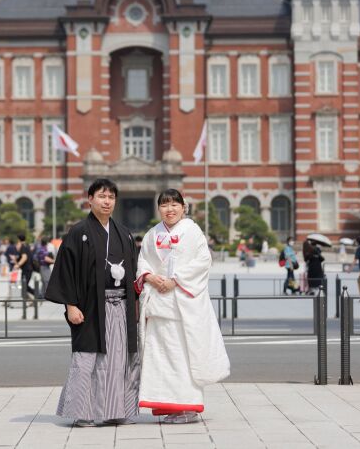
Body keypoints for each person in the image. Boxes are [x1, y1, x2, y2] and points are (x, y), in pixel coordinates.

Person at [44, 178, 140, 427]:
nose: (107, 201)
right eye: (101, 196)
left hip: (121, 306)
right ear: (90, 199)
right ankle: (83, 412)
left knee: (119, 359)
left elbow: (134, 271)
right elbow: (66, 270)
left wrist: (137, 306)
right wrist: (70, 305)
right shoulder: (79, 232)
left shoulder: (124, 233)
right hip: (90, 307)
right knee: (87, 359)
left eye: (111, 197)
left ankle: (115, 411)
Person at [135, 189, 230, 424]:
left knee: (183, 357)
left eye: (174, 204)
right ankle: (168, 404)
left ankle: (187, 407)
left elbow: (203, 261)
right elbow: (142, 261)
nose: (170, 209)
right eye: (165, 205)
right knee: (161, 357)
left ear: (184, 208)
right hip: (158, 303)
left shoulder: (192, 231)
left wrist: (175, 279)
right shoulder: (152, 234)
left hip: (182, 303)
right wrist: (149, 276)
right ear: (159, 209)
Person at [13, 234, 35, 298]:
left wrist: (18, 265)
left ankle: (37, 294)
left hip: (27, 269)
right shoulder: (26, 246)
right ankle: (33, 297)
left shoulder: (23, 247)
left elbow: (24, 257)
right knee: (24, 285)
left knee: (24, 285)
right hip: (28, 268)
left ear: (19, 240)